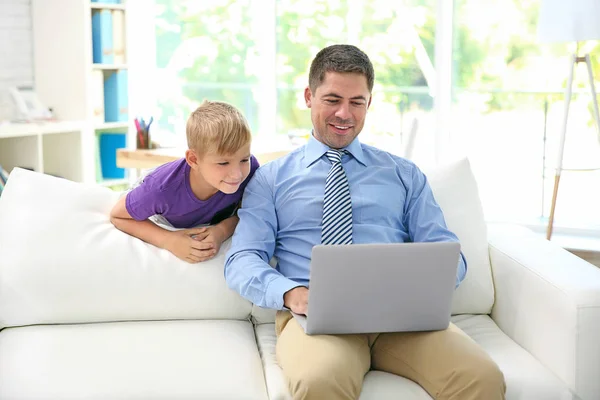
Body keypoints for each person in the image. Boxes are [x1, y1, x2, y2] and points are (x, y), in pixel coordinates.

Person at [224, 44, 505, 399]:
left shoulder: (404, 175)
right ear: (309, 96)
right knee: (319, 380)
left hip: (402, 319)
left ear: (369, 104)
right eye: (332, 99)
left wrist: (429, 285)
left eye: (357, 102)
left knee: (482, 377)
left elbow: (446, 251)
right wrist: (292, 294)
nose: (344, 113)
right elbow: (242, 258)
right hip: (315, 321)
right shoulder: (271, 180)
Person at [110, 100, 259, 263]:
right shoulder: (161, 190)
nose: (237, 174)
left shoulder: (250, 170)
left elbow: (252, 210)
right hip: (160, 209)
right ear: (194, 159)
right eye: (223, 163)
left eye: (244, 159)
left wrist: (222, 230)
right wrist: (169, 240)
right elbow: (118, 216)